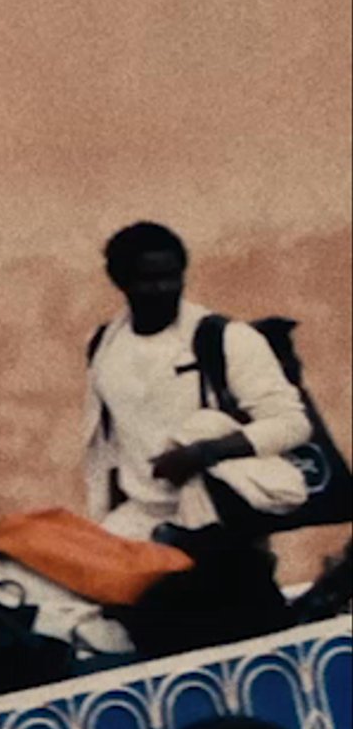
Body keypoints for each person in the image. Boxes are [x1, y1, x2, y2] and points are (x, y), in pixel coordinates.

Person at [84, 221, 313, 539]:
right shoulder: (105, 346)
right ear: (120, 281)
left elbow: (292, 424)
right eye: (148, 280)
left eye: (172, 277)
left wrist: (202, 453)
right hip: (139, 518)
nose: (163, 289)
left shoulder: (226, 338)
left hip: (218, 519)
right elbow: (109, 444)